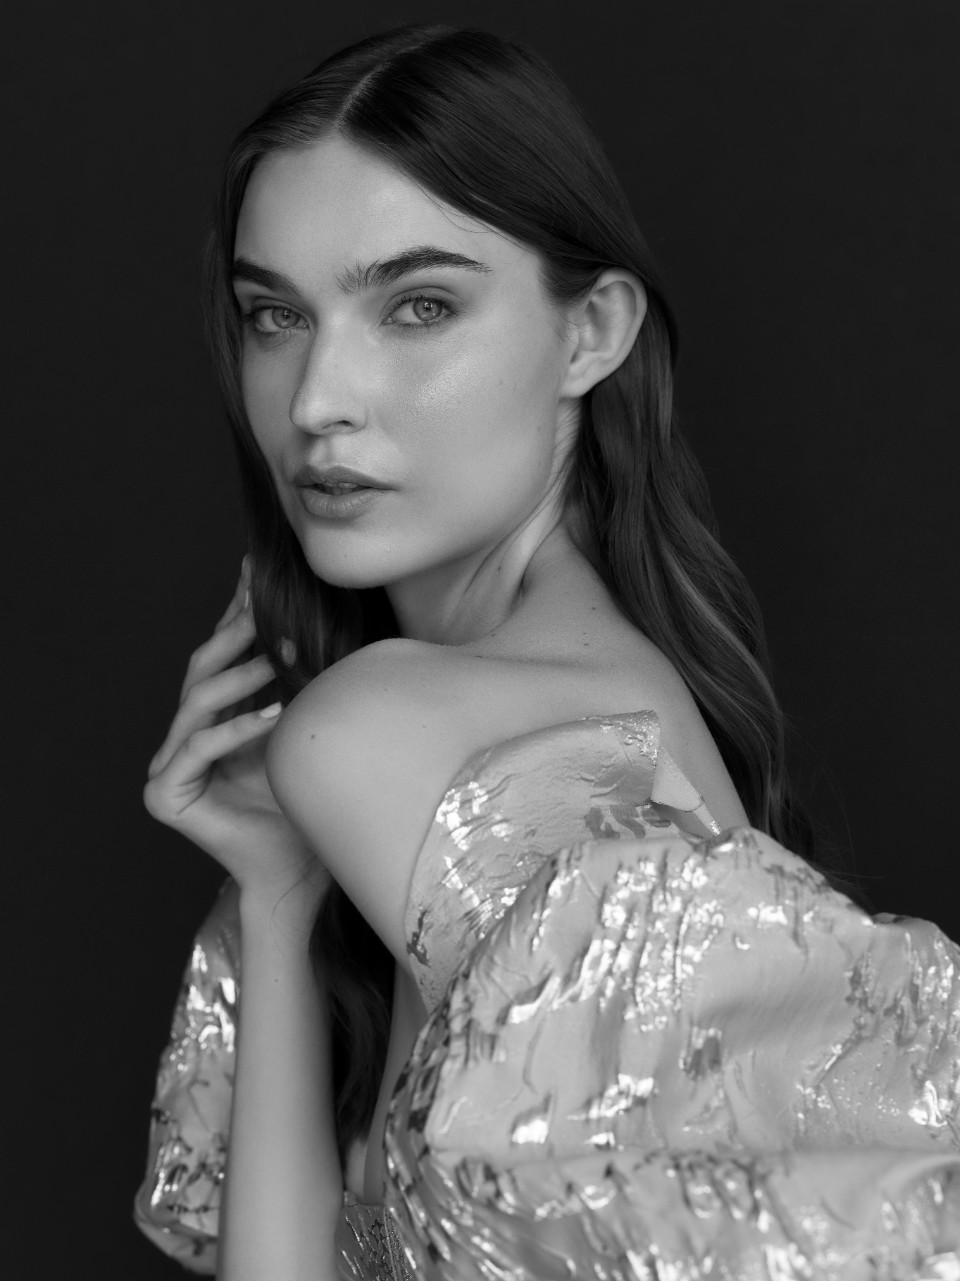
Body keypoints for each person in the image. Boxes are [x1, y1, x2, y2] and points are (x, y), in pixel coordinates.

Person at [134, 24, 960, 1281]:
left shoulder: (386, 730)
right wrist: (279, 897)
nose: (315, 400)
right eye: (275, 316)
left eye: (418, 306)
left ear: (592, 333)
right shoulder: (609, 704)